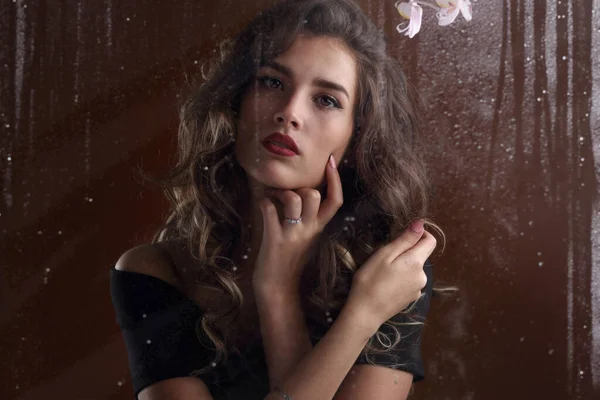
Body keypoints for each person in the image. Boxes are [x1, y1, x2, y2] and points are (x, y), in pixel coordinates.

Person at [110, 0, 445, 398]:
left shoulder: (387, 278)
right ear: (234, 103)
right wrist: (280, 288)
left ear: (357, 139)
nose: (289, 112)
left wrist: (344, 308)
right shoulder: (156, 273)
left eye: (326, 100)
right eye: (272, 82)